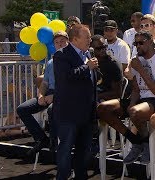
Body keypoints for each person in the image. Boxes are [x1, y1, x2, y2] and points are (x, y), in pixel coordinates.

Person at [97, 30, 155, 165]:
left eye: (141, 43)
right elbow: (136, 89)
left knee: (135, 112)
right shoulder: (137, 60)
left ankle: (146, 143)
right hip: (141, 100)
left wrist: (141, 70)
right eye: (135, 43)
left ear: (150, 42)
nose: (138, 46)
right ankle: (137, 141)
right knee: (103, 108)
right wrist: (131, 102)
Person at [53, 24, 98, 179]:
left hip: (86, 113)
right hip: (69, 113)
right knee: (65, 150)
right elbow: (66, 77)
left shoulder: (88, 54)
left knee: (84, 151)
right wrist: (86, 67)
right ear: (75, 39)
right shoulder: (61, 55)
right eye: (87, 37)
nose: (90, 40)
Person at [16, 31, 69, 155]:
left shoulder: (72, 60)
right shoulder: (51, 61)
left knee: (52, 109)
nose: (59, 44)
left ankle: (54, 140)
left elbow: (71, 85)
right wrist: (41, 95)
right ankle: (41, 138)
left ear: (68, 42)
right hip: (49, 93)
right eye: (57, 42)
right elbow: (45, 82)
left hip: (65, 95)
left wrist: (55, 96)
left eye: (62, 41)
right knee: (22, 109)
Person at [91, 34, 123, 101]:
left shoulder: (113, 64)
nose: (103, 50)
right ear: (91, 49)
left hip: (105, 100)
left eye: (104, 47)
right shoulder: (89, 62)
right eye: (99, 48)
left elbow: (117, 93)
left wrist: (95, 96)